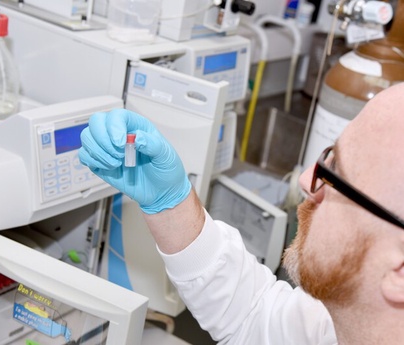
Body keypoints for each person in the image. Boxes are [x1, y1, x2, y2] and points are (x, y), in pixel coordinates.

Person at [79, 82, 404, 345]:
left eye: (336, 175)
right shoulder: (336, 325)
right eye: (328, 155)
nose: (307, 180)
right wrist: (171, 201)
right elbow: (253, 316)